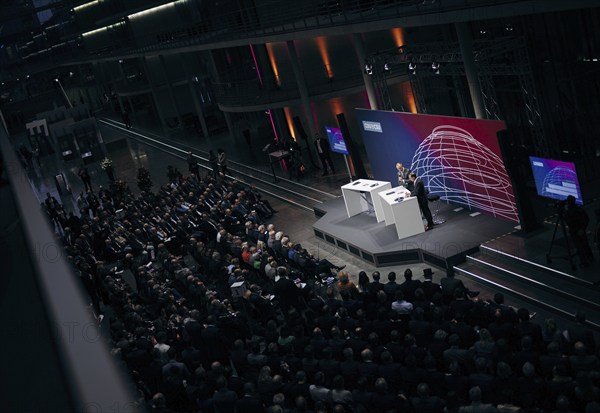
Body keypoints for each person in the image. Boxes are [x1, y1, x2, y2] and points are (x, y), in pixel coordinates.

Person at [564, 195, 593, 267]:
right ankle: (590, 257)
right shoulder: (579, 209)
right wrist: (583, 229)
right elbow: (586, 219)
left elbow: (568, 221)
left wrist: (565, 211)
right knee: (585, 245)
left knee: (579, 248)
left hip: (574, 232)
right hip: (581, 231)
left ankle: (584, 263)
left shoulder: (568, 212)